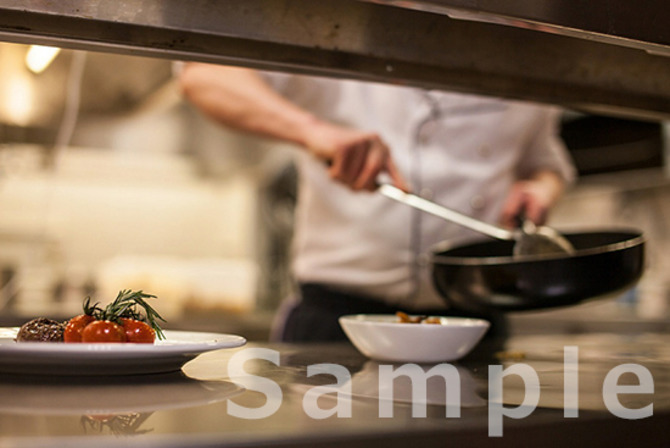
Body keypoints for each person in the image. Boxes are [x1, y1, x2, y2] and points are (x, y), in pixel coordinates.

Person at [178, 63, 576, 342]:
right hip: (338, 322)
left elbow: (546, 163)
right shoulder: (341, 23)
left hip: (474, 325)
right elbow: (204, 74)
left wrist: (540, 189)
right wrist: (312, 131)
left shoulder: (519, 48)